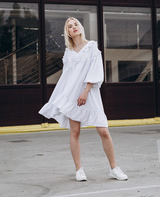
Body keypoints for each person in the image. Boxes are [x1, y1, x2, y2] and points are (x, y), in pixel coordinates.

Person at [39, 17, 128, 181]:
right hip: (74, 96)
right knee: (75, 131)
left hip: (90, 93)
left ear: (80, 27)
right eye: (70, 26)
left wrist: (86, 90)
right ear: (68, 33)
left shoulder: (92, 47)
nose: (74, 27)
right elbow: (67, 77)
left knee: (103, 131)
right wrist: (62, 97)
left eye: (76, 24)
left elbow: (96, 70)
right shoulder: (68, 53)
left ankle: (114, 168)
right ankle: (79, 170)